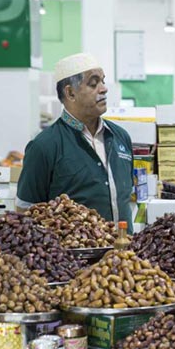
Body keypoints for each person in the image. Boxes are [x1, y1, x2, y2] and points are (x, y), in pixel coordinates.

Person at [17, 53, 134, 230]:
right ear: (70, 93)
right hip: (72, 255)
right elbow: (24, 211)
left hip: (124, 253)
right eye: (93, 83)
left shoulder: (120, 137)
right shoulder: (44, 146)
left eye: (103, 81)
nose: (103, 89)